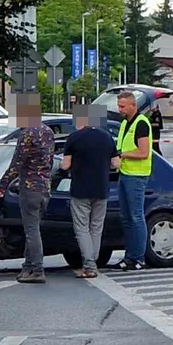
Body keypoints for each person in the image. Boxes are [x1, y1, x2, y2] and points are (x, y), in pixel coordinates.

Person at [0, 94, 56, 283]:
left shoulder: (26, 135)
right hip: (44, 187)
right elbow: (50, 160)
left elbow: (16, 165)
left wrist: (2, 186)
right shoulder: (48, 131)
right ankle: (28, 267)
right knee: (34, 228)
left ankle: (37, 269)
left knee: (31, 231)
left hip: (29, 187)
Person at [63, 106, 120, 278]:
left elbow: (65, 165)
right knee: (96, 227)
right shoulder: (106, 137)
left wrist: (60, 165)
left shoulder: (74, 138)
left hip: (80, 189)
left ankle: (89, 265)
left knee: (81, 228)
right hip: (102, 189)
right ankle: (93, 262)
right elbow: (116, 164)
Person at [115, 92, 153, 271]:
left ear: (133, 106)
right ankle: (129, 256)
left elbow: (144, 152)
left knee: (136, 217)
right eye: (119, 105)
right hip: (124, 173)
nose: (119, 109)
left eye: (123, 106)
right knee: (126, 218)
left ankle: (138, 257)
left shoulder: (141, 123)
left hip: (137, 176)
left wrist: (122, 154)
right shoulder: (124, 123)